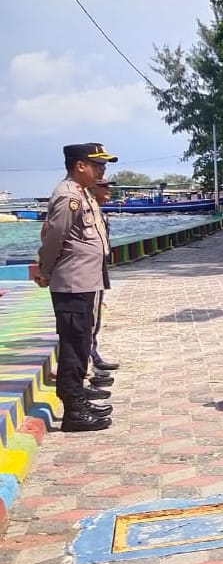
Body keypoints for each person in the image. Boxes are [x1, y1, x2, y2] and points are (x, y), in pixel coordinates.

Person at [36, 144, 118, 432]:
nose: (102, 170)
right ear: (80, 165)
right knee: (73, 344)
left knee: (81, 341)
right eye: (97, 165)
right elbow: (53, 238)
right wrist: (45, 270)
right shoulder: (69, 196)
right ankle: (74, 410)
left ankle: (79, 399)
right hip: (72, 282)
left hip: (85, 280)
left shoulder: (82, 192)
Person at [88, 178, 118, 387]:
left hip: (98, 270)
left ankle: (94, 355)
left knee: (94, 317)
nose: (108, 190)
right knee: (86, 321)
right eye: (104, 186)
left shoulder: (99, 211)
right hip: (84, 274)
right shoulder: (83, 209)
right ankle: (89, 363)